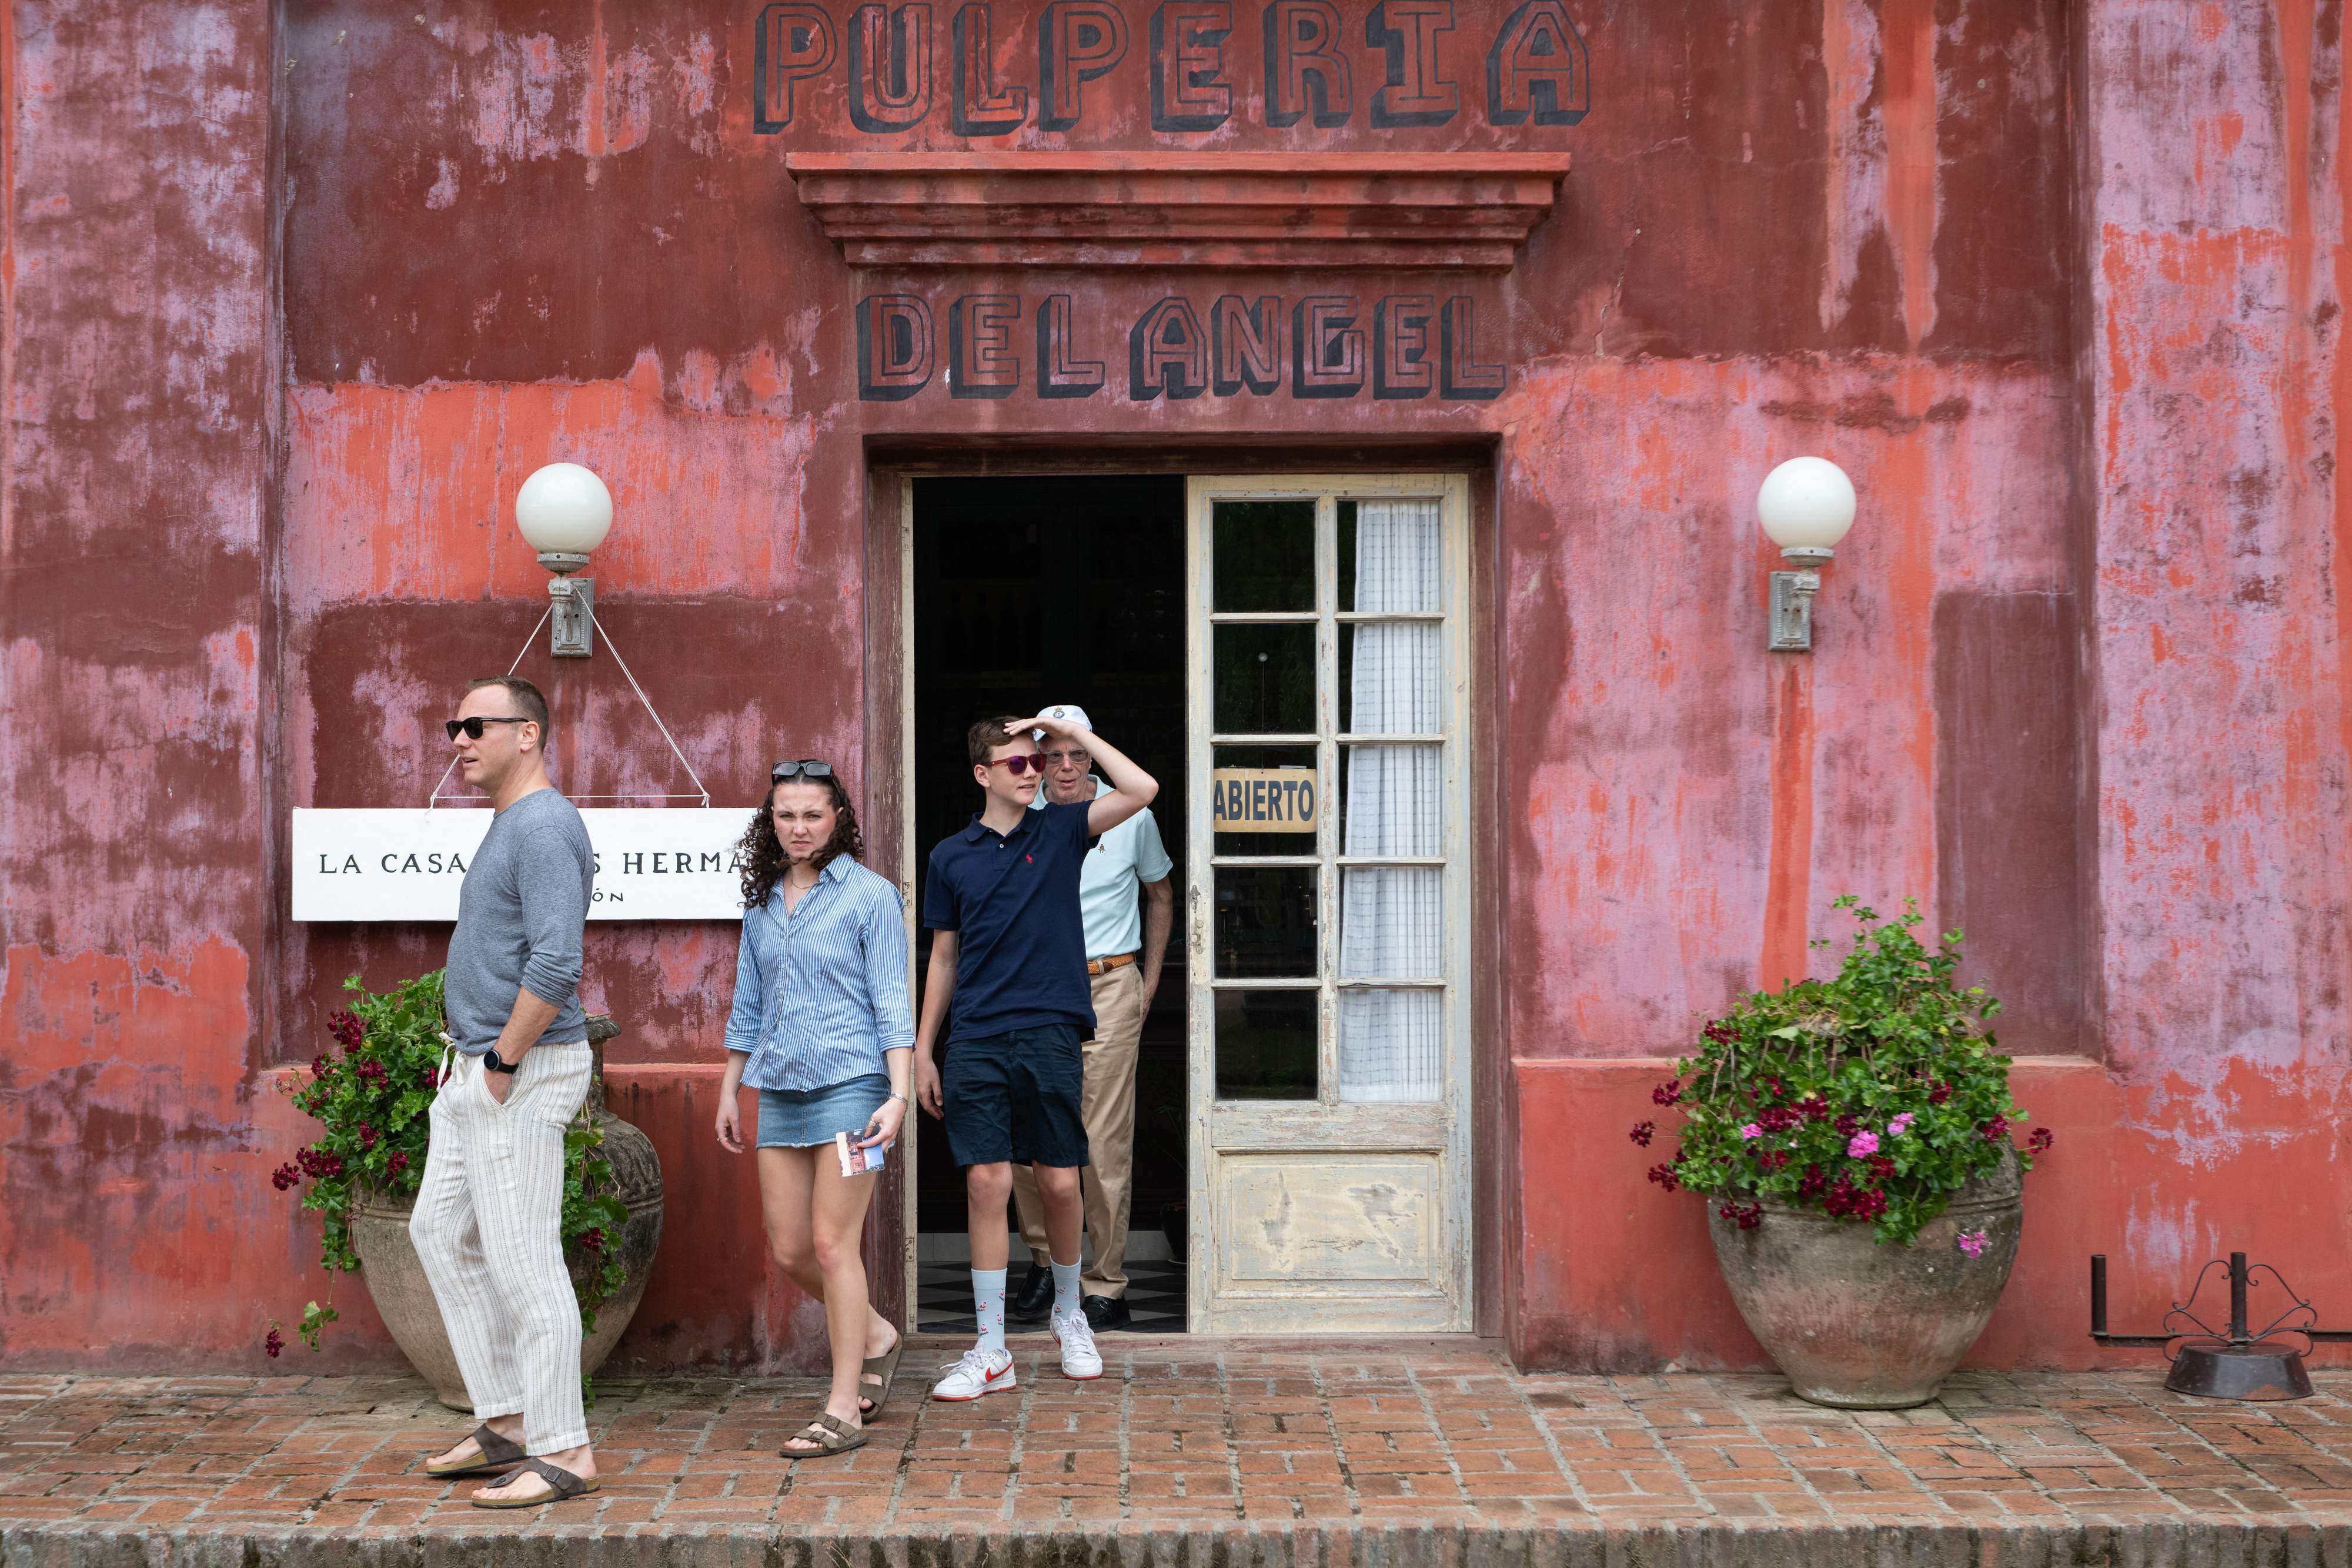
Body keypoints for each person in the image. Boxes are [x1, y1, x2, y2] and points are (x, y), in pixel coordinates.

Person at [915, 711, 1158, 1398]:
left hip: (1050, 1029)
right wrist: (924, 1051)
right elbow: (943, 959)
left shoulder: (1060, 831)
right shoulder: (949, 856)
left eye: (1040, 760)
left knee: (1058, 1183)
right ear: (982, 774)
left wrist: (1059, 725)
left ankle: (1069, 1311)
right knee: (986, 1183)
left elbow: (1142, 788)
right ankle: (990, 1348)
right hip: (976, 1036)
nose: (1036, 770)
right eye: (1020, 763)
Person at [410, 676, 602, 1509]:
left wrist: (501, 1062)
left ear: (528, 734)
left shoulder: (547, 824)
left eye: (476, 724)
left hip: (516, 1070)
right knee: (437, 1228)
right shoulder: (508, 823)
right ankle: (509, 1417)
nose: (459, 737)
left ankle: (565, 1448)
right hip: (476, 1067)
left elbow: (558, 962)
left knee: (526, 1263)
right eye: (455, 725)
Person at [714, 758, 913, 1459]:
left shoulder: (871, 896)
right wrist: (729, 1087)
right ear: (770, 823)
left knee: (834, 1245)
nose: (799, 828)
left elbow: (893, 1000)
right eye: (786, 815)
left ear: (839, 820)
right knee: (793, 1249)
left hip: (854, 1088)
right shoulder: (764, 901)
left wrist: (897, 1094)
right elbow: (749, 1003)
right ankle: (880, 1335)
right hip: (781, 1092)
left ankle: (842, 1406)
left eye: (812, 814)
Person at [1008, 704, 1174, 1332]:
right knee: (1029, 1140)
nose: (1068, 766)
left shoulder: (1131, 813)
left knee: (1101, 1142)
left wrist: (1149, 979)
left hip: (1109, 984)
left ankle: (1106, 1282)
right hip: (1036, 991)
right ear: (1037, 759)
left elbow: (1160, 893)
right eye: (1055, 754)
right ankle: (1047, 1262)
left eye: (1079, 752)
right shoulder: (1019, 816)